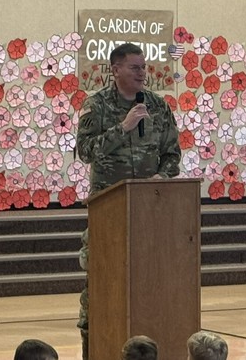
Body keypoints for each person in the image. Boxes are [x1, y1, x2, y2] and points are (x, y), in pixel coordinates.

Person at [74, 43, 181, 360]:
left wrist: (162, 177)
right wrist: (123, 128)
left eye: (144, 67)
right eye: (135, 67)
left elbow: (172, 155)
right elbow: (86, 152)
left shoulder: (157, 106)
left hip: (149, 212)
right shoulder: (97, 106)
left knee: (151, 284)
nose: (142, 73)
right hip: (108, 212)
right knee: (100, 287)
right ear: (116, 69)